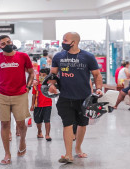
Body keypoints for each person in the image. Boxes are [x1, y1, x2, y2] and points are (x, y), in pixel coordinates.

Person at [49, 32, 103, 163]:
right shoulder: (58, 56)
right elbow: (53, 74)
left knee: (82, 124)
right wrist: (51, 84)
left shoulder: (88, 57)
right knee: (67, 124)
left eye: (65, 40)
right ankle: (68, 154)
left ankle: (78, 148)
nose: (63, 42)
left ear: (74, 42)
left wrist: (99, 88)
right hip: (65, 96)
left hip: (84, 97)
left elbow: (96, 75)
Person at [0, 35, 34, 165]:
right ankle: (7, 154)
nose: (7, 44)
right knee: (4, 124)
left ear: (12, 42)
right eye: (3, 43)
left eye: (8, 41)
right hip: (1, 95)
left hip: (20, 94)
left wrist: (28, 87)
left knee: (21, 124)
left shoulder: (23, 56)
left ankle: (22, 141)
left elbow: (31, 72)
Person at [30, 68, 52, 141]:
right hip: (38, 105)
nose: (41, 76)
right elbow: (33, 95)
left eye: (43, 75)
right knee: (38, 120)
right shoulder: (36, 84)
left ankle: (47, 134)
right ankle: (39, 132)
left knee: (47, 120)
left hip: (48, 104)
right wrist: (32, 105)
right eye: (40, 75)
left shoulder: (50, 83)